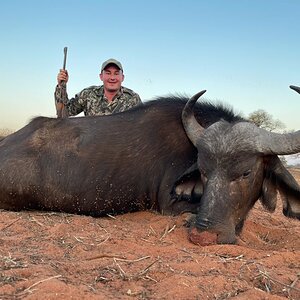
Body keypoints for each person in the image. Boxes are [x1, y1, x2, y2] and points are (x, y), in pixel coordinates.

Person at [54, 58, 142, 117]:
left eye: (116, 73)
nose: (112, 77)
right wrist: (61, 86)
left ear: (122, 77)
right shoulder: (88, 94)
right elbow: (63, 113)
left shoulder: (133, 99)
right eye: (108, 73)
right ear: (101, 76)